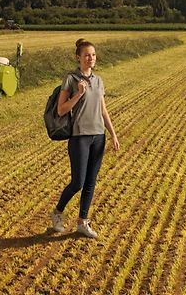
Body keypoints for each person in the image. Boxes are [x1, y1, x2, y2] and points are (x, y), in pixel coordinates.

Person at [51, 38, 119, 238]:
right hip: (79, 137)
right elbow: (61, 109)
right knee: (78, 182)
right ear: (78, 57)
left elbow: (103, 110)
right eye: (87, 55)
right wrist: (78, 95)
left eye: (93, 55)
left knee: (91, 181)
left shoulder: (98, 81)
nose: (91, 58)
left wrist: (113, 134)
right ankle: (57, 213)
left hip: (99, 136)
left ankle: (82, 221)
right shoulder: (71, 79)